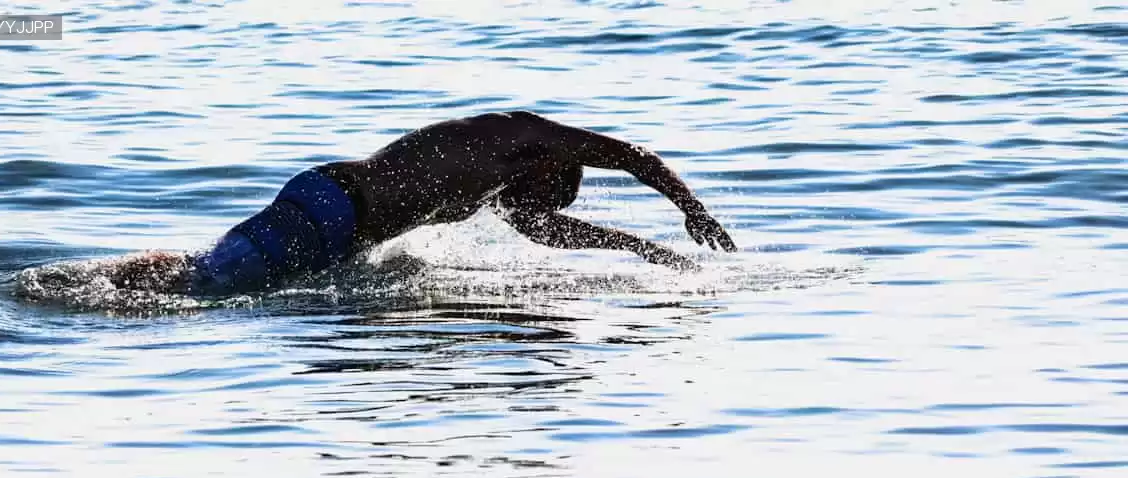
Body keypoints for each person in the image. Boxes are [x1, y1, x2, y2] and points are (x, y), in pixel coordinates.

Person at [116, 111, 736, 296]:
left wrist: (645, 250)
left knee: (206, 278)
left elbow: (553, 233)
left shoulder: (507, 190)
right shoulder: (519, 133)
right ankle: (83, 287)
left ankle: (119, 277)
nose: (528, 209)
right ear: (555, 168)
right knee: (204, 289)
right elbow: (631, 155)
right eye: (542, 195)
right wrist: (691, 207)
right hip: (335, 203)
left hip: (335, 218)